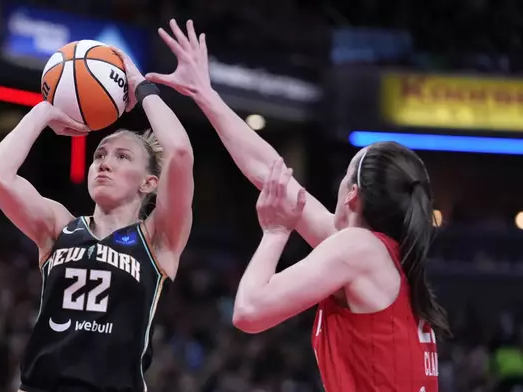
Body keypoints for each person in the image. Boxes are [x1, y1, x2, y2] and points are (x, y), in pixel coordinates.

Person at [148, 19, 448, 392]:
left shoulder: (358, 250)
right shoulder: (378, 255)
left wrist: (275, 233)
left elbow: (249, 312)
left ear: (352, 194)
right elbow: (271, 174)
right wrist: (206, 95)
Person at [0, 42, 194, 392]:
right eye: (99, 154)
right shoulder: (59, 227)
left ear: (149, 182)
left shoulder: (157, 240)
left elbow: (180, 152)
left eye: (122, 156)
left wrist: (141, 86)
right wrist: (44, 112)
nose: (104, 163)